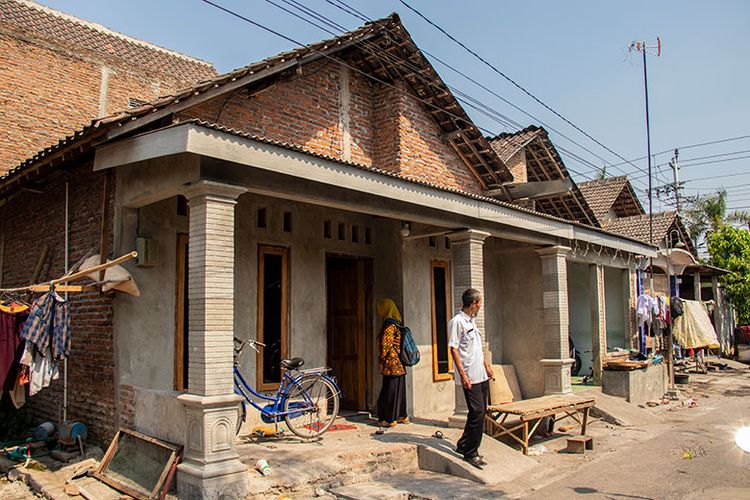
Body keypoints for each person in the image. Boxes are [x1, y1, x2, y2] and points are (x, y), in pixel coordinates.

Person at [449, 288, 493, 468]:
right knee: (477, 412)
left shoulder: (473, 322)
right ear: (473, 304)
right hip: (469, 376)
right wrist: (462, 374)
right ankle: (471, 452)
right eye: (479, 303)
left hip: (480, 374)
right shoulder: (457, 322)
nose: (480, 305)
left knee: (481, 411)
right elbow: (454, 349)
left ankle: (463, 444)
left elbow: (476, 348)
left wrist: (486, 366)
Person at [376, 298, 409, 427]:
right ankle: (401, 416)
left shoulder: (389, 326)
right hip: (399, 364)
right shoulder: (397, 324)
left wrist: (381, 361)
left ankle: (389, 419)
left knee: (388, 392)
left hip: (391, 365)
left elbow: (386, 346)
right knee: (398, 391)